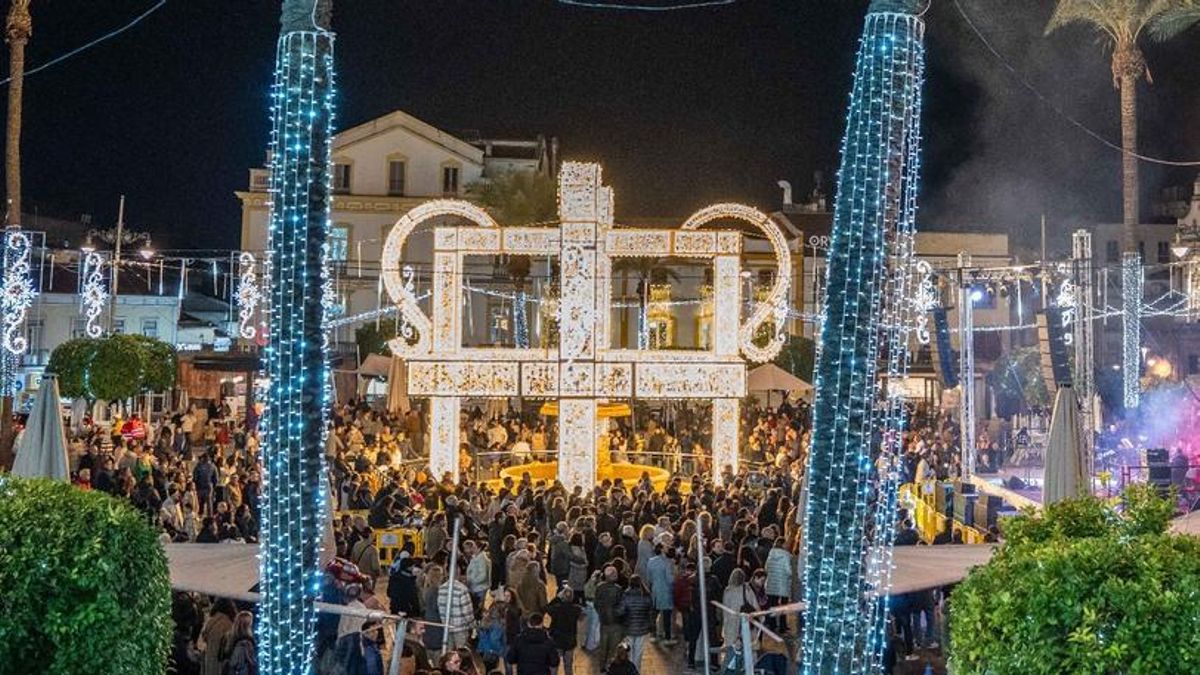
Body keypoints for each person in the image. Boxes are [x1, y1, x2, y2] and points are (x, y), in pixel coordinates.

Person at [621, 575, 654, 671]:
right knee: (639, 652)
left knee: (629, 651)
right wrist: (651, 625)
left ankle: (629, 669)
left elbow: (620, 611)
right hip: (642, 628)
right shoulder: (646, 596)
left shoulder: (625, 595)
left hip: (628, 627)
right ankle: (636, 670)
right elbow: (650, 612)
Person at [545, 586, 582, 675]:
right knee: (568, 665)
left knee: (554, 664)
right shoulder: (576, 610)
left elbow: (547, 607)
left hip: (557, 640)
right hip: (570, 641)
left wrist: (557, 598)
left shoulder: (556, 609)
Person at [646, 545, 676, 644]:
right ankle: (667, 638)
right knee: (667, 615)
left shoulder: (651, 561)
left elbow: (649, 577)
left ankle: (653, 635)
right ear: (662, 550)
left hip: (655, 590)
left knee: (654, 614)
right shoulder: (667, 562)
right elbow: (670, 579)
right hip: (666, 590)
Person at [198, 598, 236, 675]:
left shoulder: (209, 622)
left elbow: (200, 644)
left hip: (209, 662)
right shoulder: (229, 624)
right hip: (222, 664)